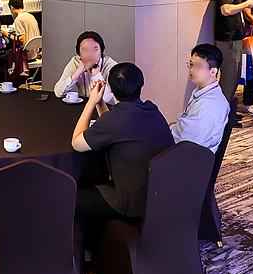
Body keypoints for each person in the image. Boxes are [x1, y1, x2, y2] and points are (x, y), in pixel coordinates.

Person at [70, 63, 176, 249]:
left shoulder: (114, 121)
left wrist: (91, 102)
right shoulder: (152, 109)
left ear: (111, 89)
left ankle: (87, 253)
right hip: (160, 197)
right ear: (141, 86)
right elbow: (113, 126)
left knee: (72, 198)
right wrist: (101, 102)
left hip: (132, 203)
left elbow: (77, 143)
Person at [213, 0, 253, 108]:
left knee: (234, 77)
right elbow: (225, 9)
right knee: (229, 79)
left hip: (233, 38)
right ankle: (222, 113)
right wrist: (246, 4)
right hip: (228, 39)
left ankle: (226, 110)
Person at [171, 44, 230, 152]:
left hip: (192, 156)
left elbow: (182, 141)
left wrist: (170, 128)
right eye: (191, 64)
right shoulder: (203, 90)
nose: (192, 70)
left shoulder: (207, 106)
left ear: (213, 71)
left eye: (198, 66)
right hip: (190, 149)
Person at [55, 31, 121, 107]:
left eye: (95, 49)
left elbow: (108, 99)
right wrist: (79, 71)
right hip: (84, 107)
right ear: (79, 53)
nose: (90, 54)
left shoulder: (111, 66)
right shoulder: (76, 63)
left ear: (101, 52)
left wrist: (96, 73)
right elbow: (58, 93)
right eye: (85, 50)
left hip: (107, 110)